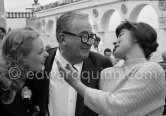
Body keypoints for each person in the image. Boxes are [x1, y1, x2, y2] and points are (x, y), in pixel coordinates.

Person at [58, 21, 166, 115]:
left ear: (137, 37)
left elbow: (116, 107)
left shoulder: (153, 70)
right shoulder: (106, 72)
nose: (115, 41)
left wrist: (76, 83)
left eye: (121, 35)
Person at [35, 11, 112, 116]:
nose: (90, 42)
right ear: (62, 39)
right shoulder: (42, 62)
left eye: (91, 37)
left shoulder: (101, 64)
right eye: (84, 36)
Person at [0, 27, 49, 116]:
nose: (47, 54)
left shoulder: (38, 78)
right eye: (40, 52)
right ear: (21, 58)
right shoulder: (2, 86)